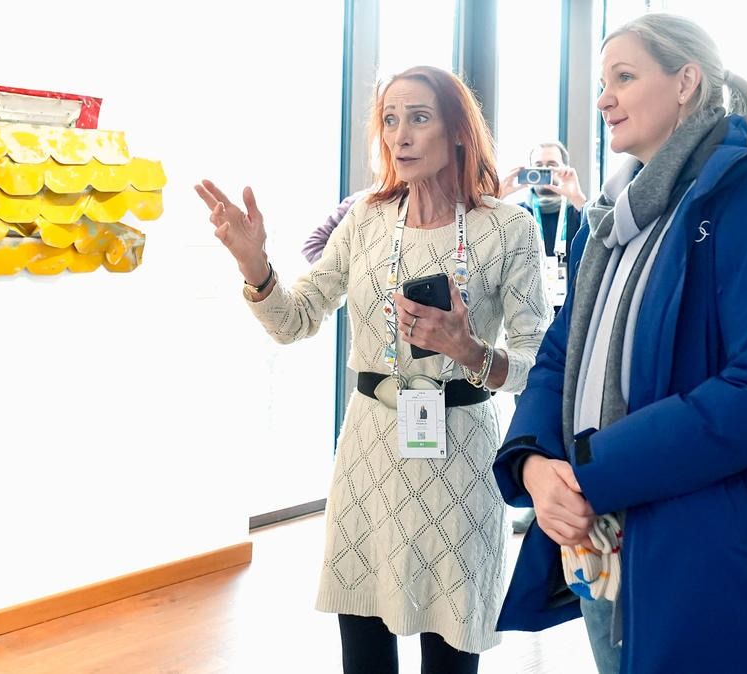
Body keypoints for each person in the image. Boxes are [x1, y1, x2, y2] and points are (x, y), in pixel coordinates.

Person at [493, 13, 747, 674]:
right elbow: (559, 357)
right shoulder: (610, 222)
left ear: (685, 82)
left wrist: (593, 468)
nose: (603, 99)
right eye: (602, 82)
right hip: (606, 548)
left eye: (624, 77)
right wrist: (532, 463)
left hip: (723, 561)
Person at [197, 65, 551, 674]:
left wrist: (471, 352)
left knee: (451, 641)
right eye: (390, 120)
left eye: (419, 118)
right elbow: (295, 320)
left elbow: (535, 361)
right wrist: (255, 265)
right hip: (369, 450)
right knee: (362, 640)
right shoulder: (365, 218)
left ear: (457, 130)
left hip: (461, 455)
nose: (400, 135)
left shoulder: (508, 227)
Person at [497, 142, 586, 313]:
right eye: (538, 166)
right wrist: (499, 195)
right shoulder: (516, 214)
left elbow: (601, 237)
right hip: (525, 314)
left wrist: (577, 197)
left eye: (552, 165)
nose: (544, 171)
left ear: (565, 169)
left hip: (572, 312)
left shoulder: (579, 213)